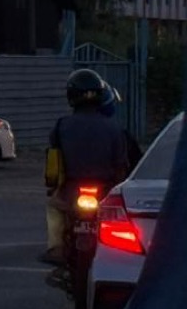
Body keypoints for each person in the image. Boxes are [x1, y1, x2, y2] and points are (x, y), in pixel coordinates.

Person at [39, 68, 130, 265]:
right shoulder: (114, 128)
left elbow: (54, 160)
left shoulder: (62, 125)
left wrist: (53, 186)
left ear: (71, 96)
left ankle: (56, 247)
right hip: (105, 189)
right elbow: (121, 165)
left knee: (54, 207)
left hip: (71, 189)